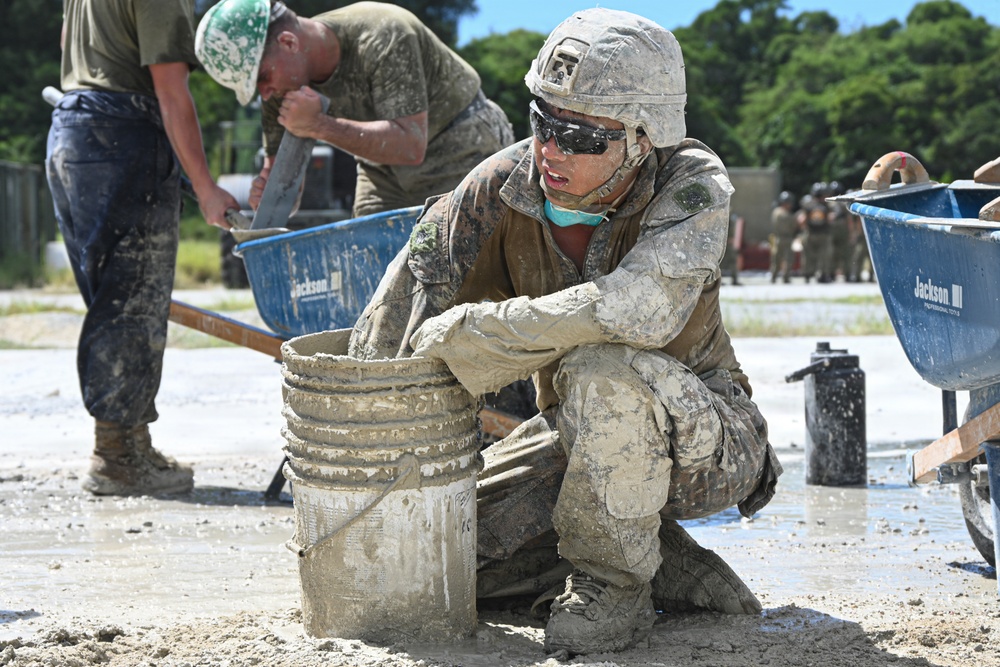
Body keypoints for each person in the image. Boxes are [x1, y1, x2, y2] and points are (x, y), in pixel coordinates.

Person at [349, 9, 781, 655]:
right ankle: (655, 558)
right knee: (415, 560)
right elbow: (397, 311)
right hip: (573, 443)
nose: (551, 150)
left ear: (642, 138)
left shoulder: (690, 182)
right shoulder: (499, 185)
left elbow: (638, 309)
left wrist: (475, 334)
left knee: (599, 367)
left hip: (704, 443)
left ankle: (616, 585)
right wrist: (358, 466)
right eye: (544, 124)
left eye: (581, 137)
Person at [45, 0, 241, 496]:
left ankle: (127, 440)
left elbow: (69, 43)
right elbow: (171, 90)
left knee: (111, 301)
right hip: (122, 134)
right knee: (133, 303)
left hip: (71, 131)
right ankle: (118, 458)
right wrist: (205, 187)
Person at [195, 0, 514, 218]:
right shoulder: (281, 87)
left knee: (469, 283)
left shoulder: (383, 33)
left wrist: (318, 125)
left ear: (289, 43)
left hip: (461, 142)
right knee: (370, 276)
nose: (264, 94)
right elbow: (282, 187)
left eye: (262, 78)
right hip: (382, 169)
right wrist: (271, 195)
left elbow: (409, 144)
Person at [769, 191, 798, 283]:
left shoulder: (779, 211)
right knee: (777, 259)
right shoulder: (780, 212)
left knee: (788, 259)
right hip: (781, 238)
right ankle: (774, 276)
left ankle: (785, 277)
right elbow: (791, 224)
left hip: (785, 238)